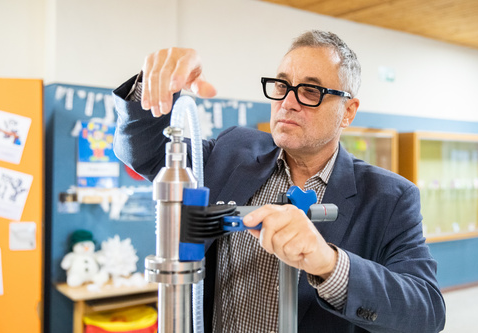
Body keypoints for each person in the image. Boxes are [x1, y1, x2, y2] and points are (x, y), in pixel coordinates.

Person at [113, 30, 446, 332]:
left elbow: (426, 312)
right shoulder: (232, 151)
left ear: (348, 111)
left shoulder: (389, 198)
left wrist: (329, 264)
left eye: (310, 90)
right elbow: (145, 153)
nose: (288, 102)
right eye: (282, 85)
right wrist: (153, 85)